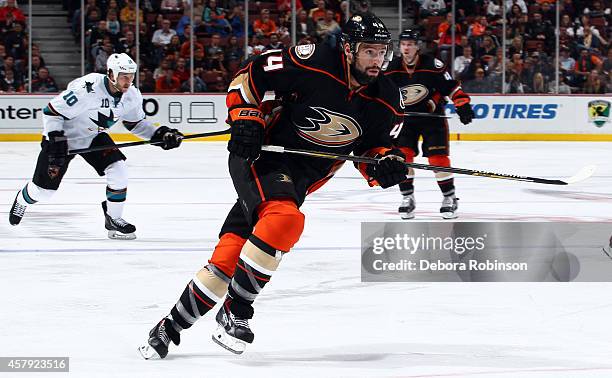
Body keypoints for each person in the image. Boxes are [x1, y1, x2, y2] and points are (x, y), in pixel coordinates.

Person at [139, 13, 408, 359]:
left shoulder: (386, 98)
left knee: (228, 259)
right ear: (348, 49)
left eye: (381, 52)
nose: (377, 60)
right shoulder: (314, 61)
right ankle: (237, 309)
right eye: (369, 51)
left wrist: (385, 163)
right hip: (259, 154)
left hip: (302, 178)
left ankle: (169, 326)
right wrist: (246, 116)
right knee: (286, 219)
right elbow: (249, 75)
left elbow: (370, 147)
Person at [8, 53, 183, 239]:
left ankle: (114, 218)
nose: (128, 81)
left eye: (131, 76)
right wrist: (56, 139)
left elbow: (136, 124)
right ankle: (22, 199)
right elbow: (51, 111)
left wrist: (161, 134)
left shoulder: (131, 95)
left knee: (119, 169)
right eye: (124, 76)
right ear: (110, 73)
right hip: (62, 138)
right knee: (43, 193)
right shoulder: (88, 88)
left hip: (93, 136)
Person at [384, 29, 474, 220]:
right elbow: (378, 93)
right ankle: (407, 198)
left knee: (437, 160)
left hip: (433, 119)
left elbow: (451, 88)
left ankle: (450, 198)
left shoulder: (433, 65)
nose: (406, 47)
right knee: (402, 158)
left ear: (418, 47)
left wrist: (462, 104)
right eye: (403, 44)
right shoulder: (391, 68)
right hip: (405, 120)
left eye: (410, 44)